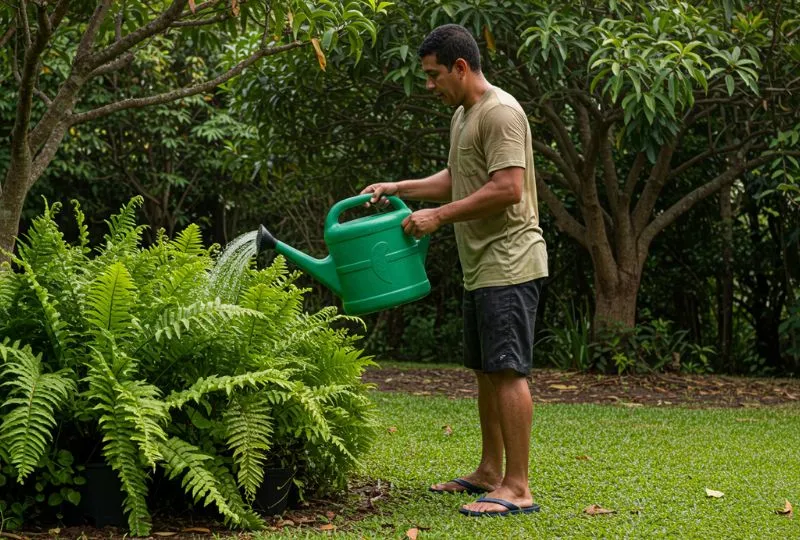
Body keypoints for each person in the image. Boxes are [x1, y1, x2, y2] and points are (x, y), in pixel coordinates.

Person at [360, 24, 548, 517]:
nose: (429, 85)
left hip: (510, 260)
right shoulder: (464, 115)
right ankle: (489, 472)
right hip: (480, 264)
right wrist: (398, 187)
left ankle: (518, 487)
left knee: (507, 370)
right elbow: (456, 179)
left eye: (433, 75)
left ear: (460, 67)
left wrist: (438, 218)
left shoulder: (501, 112)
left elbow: (508, 187)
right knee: (486, 371)